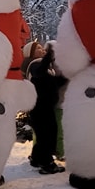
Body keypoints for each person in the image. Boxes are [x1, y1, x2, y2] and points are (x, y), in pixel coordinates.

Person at [26, 40, 67, 174]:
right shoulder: (34, 65)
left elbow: (55, 83)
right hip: (40, 108)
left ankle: (36, 158)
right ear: (30, 53)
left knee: (43, 135)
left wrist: (68, 76)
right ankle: (47, 163)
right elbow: (39, 72)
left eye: (42, 48)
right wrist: (49, 55)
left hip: (45, 107)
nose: (42, 50)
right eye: (38, 48)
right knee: (47, 136)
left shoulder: (46, 68)